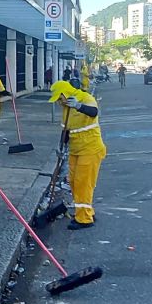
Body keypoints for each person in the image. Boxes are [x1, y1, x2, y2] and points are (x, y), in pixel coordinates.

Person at [48, 80, 106, 230]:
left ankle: (84, 219)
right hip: (75, 150)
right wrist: (61, 147)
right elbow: (66, 130)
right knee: (73, 182)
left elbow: (94, 112)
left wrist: (78, 106)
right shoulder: (66, 108)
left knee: (83, 183)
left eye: (59, 98)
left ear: (65, 94)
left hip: (90, 149)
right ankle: (86, 211)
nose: (59, 102)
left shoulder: (85, 99)